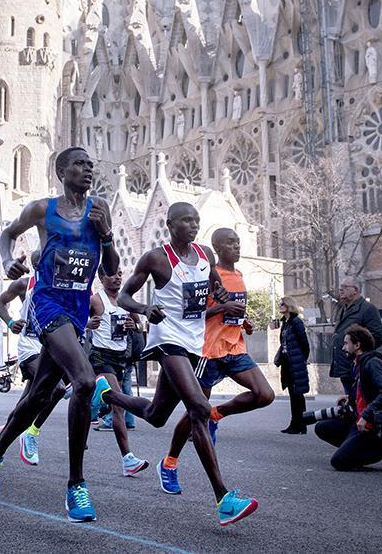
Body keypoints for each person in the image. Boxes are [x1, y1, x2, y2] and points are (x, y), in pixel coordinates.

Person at [0, 147, 116, 522]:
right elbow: (7, 235)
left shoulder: (100, 209)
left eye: (91, 164)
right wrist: (7, 260)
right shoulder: (43, 209)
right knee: (85, 381)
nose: (88, 169)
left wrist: (105, 235)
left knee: (40, 394)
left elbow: (112, 269)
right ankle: (76, 486)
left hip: (78, 308)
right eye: (80, 164)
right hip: (48, 304)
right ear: (61, 171)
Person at [104, 202, 259, 526]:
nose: (192, 225)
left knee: (156, 415)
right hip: (167, 339)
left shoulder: (204, 255)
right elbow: (124, 297)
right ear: (170, 224)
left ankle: (106, 396)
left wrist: (222, 301)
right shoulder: (157, 258)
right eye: (186, 220)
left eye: (196, 220)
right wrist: (146, 310)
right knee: (200, 409)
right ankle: (223, 499)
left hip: (193, 342)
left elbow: (214, 286)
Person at [162, 228, 273, 480]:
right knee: (195, 412)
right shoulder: (206, 277)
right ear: (217, 248)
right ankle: (169, 462)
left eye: (238, 242)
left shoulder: (239, 274)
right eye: (230, 243)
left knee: (264, 395)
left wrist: (244, 322)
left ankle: (217, 413)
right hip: (207, 352)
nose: (237, 247)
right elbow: (190, 314)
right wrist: (223, 307)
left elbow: (233, 312)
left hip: (234, 348)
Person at [0, 250, 69, 467]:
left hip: (51, 345)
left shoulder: (61, 285)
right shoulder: (24, 285)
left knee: (26, 402)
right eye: (40, 264)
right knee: (57, 389)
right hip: (30, 345)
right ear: (35, 266)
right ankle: (31, 433)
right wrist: (10, 322)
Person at [86, 268, 150, 476]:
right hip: (100, 355)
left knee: (113, 405)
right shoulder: (96, 301)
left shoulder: (125, 300)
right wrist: (88, 324)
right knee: (118, 405)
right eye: (112, 275)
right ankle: (128, 459)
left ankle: (88, 406)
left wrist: (134, 325)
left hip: (121, 357)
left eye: (120, 274)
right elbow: (75, 322)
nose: (117, 278)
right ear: (102, 278)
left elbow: (139, 326)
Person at [315, 326, 382, 472]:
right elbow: (365, 391)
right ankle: (355, 449)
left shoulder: (373, 363)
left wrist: (366, 415)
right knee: (322, 427)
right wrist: (350, 397)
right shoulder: (358, 364)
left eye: (346, 343)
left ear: (357, 345)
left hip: (371, 425)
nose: (343, 348)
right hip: (358, 420)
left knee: (338, 462)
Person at [330, 277, 382, 395]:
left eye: (344, 287)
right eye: (340, 287)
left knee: (358, 403)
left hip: (357, 366)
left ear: (355, 290)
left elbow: (377, 337)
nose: (341, 290)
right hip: (344, 365)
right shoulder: (343, 309)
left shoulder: (368, 309)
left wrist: (357, 348)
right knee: (351, 403)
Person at [276, 297, 311, 434]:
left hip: (295, 363)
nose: (280, 306)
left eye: (282, 304)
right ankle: (295, 423)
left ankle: (300, 424)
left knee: (297, 395)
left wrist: (302, 359)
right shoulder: (285, 323)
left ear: (289, 305)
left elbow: (305, 343)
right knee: (293, 393)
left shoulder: (296, 322)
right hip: (287, 363)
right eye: (279, 304)